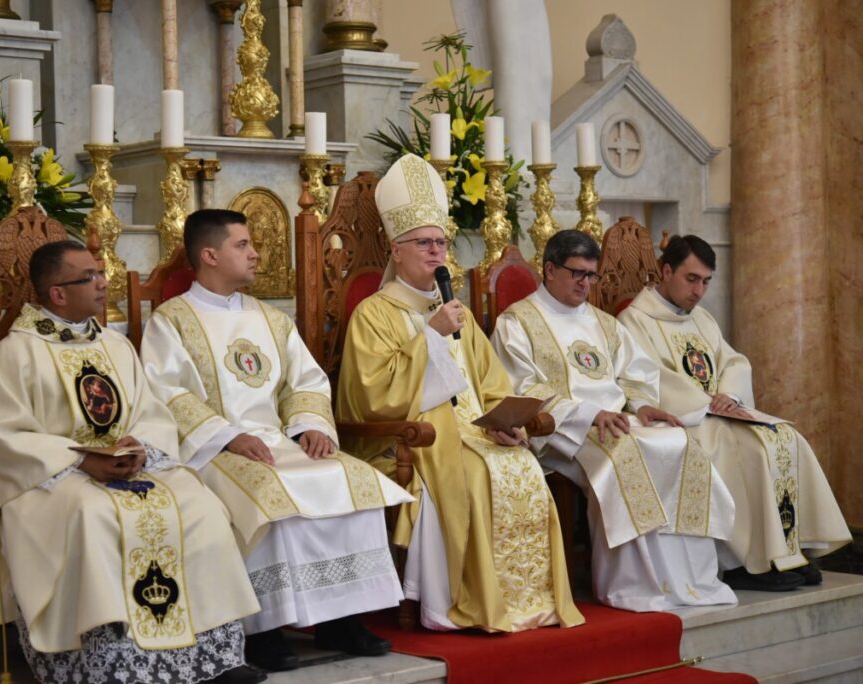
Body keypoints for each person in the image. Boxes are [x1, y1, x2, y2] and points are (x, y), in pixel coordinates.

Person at [0, 240, 263, 684]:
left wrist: (138, 447)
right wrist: (79, 460)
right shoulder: (16, 354)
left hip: (126, 466)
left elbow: (151, 413)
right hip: (51, 481)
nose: (102, 283)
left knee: (200, 504)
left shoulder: (114, 345)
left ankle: (212, 654)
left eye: (101, 273)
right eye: (89, 277)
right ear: (57, 293)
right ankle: (110, 662)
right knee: (94, 514)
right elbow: (1, 437)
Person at [140, 209, 413, 672]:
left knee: (353, 481)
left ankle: (341, 618)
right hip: (213, 448)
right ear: (209, 255)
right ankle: (261, 629)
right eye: (242, 245)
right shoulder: (172, 321)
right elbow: (165, 392)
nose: (256, 253)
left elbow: (303, 382)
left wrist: (310, 425)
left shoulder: (271, 319)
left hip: (281, 439)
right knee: (268, 495)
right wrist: (228, 436)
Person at [336, 154, 584, 633]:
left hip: (473, 432)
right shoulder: (374, 314)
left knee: (521, 465)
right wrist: (428, 335)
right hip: (412, 440)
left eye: (441, 242)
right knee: (474, 471)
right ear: (396, 250)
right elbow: (371, 395)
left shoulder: (456, 313)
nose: (436, 252)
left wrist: (507, 422)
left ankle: (525, 601)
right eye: (424, 243)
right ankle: (461, 601)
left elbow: (491, 386)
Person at [490, 229, 738, 611]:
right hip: (562, 431)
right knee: (626, 457)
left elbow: (635, 375)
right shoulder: (518, 322)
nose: (586, 284)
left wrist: (640, 407)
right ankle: (634, 584)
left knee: (679, 443)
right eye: (577, 274)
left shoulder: (604, 323)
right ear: (550, 270)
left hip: (617, 421)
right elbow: (521, 387)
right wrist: (590, 414)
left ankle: (688, 580)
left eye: (592, 275)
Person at [617, 234, 851, 589]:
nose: (699, 291)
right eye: (691, 279)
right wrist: (704, 403)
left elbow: (732, 361)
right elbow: (645, 377)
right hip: (684, 419)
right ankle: (747, 563)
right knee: (748, 451)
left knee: (786, 437)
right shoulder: (634, 320)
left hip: (717, 411)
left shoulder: (702, 319)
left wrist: (728, 393)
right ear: (666, 271)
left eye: (706, 281)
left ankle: (790, 550)